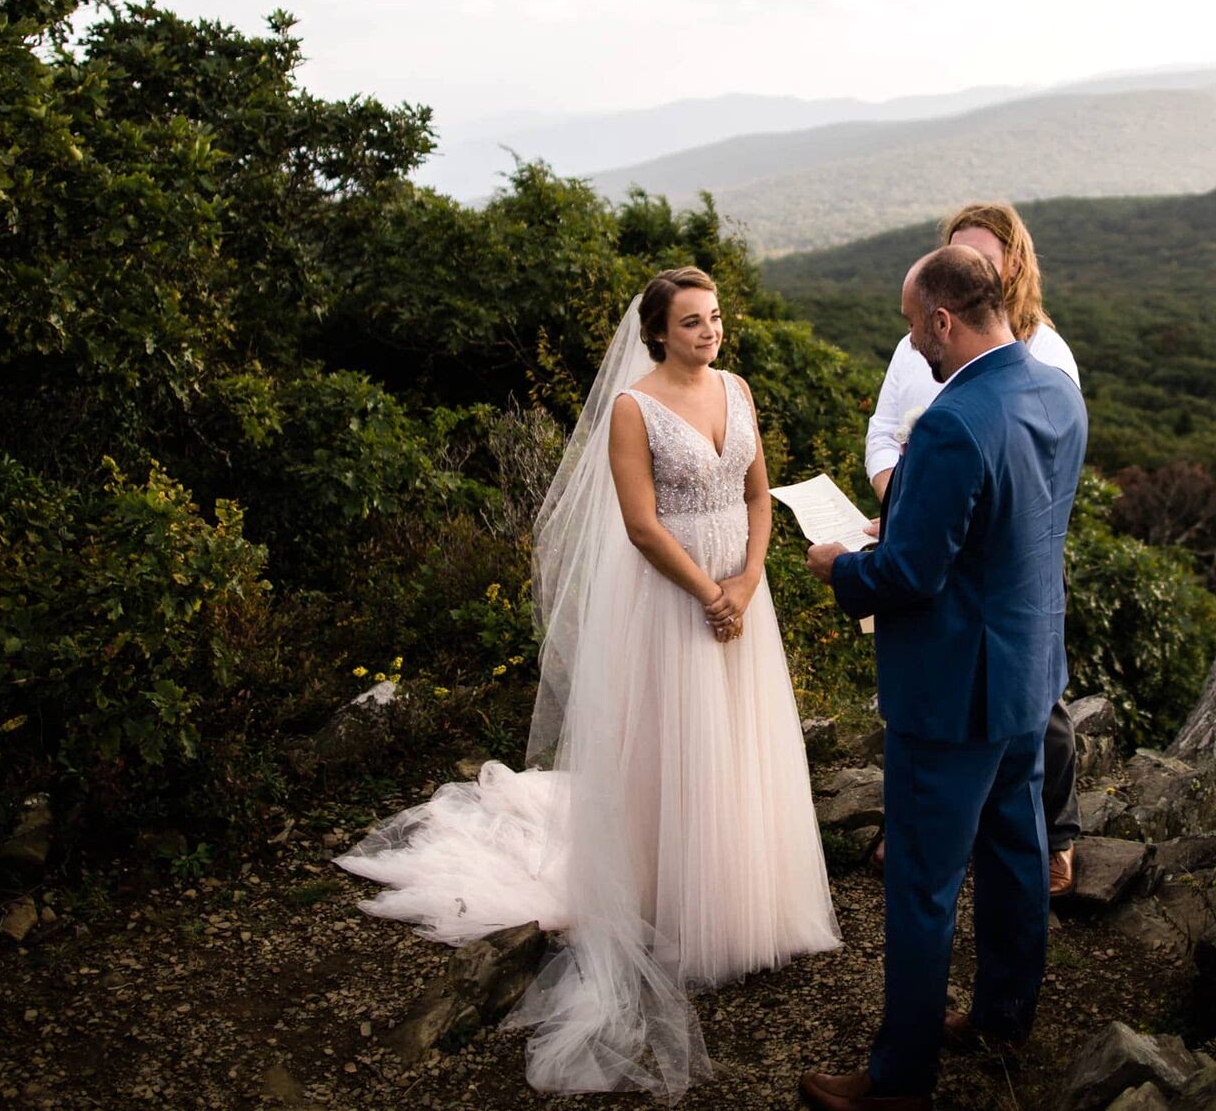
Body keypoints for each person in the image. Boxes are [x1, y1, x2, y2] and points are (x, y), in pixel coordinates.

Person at [334, 268, 838, 1100]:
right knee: (674, 743)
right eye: (691, 322)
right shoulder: (634, 408)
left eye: (714, 318)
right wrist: (707, 591)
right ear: (658, 332)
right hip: (670, 600)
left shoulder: (738, 388)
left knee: (740, 743)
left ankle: (750, 900)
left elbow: (756, 493)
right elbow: (640, 524)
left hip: (742, 599)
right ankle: (666, 900)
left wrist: (748, 580)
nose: (710, 332)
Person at [800, 246, 1088, 1111]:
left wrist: (839, 565)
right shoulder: (1057, 390)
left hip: (954, 693)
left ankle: (898, 1082)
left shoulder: (954, 422)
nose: (912, 345)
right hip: (1028, 675)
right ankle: (1005, 1016)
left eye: (911, 325)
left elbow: (911, 575)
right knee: (1016, 851)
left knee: (922, 886)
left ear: (942, 320)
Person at [863, 202, 1084, 894]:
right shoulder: (916, 345)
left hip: (1002, 567)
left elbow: (1039, 477)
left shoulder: (1044, 355)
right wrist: (907, 498)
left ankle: (1056, 835)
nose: (968, 264)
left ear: (1012, 265)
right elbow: (881, 432)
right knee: (947, 708)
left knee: (1027, 711)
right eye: (956, 252)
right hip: (923, 527)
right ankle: (939, 830)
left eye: (984, 255)